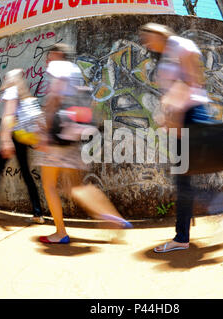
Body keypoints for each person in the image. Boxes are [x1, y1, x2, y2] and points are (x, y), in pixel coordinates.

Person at [36, 43, 132, 244]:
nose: (47, 58)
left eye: (50, 54)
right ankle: (109, 215)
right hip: (73, 133)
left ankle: (61, 233)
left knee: (49, 185)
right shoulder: (75, 71)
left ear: (58, 54)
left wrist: (44, 132)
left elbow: (54, 100)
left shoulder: (57, 68)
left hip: (56, 135)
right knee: (76, 186)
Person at [139, 23, 211, 253]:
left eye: (148, 37)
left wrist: (175, 114)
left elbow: (193, 81)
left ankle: (182, 237)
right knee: (186, 178)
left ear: (159, 34)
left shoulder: (180, 45)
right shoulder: (167, 54)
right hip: (184, 117)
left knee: (184, 179)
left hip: (190, 116)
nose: (146, 42)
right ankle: (185, 233)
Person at [0, 69, 45, 224]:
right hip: (24, 137)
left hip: (15, 137)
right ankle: (38, 212)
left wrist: (5, 140)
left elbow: (8, 116)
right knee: (26, 174)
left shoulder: (10, 91)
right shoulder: (24, 93)